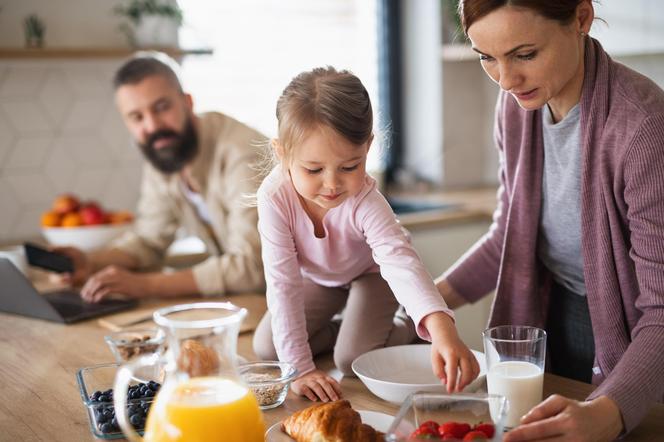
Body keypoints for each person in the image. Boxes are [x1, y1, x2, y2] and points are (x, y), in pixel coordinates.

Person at [434, 1, 664, 441]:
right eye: (487, 57)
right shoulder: (517, 108)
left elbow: (662, 309)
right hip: (551, 318)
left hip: (640, 347)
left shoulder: (643, 128)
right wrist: (423, 308)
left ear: (580, 18)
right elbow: (510, 236)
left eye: (524, 55)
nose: (505, 79)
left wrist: (608, 412)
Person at [252, 67, 480, 402]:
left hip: (373, 276)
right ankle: (343, 329)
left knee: (351, 359)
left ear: (368, 148)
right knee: (268, 347)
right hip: (319, 278)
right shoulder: (274, 196)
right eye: (313, 170)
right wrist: (300, 369)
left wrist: (441, 329)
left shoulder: (366, 201)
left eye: (349, 167)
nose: (332, 184)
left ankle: (404, 325)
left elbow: (399, 263)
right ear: (282, 154)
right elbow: (283, 283)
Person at [56, 52, 266, 302]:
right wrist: (89, 262)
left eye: (162, 107)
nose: (153, 126)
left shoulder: (243, 154)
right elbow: (148, 240)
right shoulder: (166, 154)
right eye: (137, 117)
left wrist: (146, 286)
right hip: (245, 301)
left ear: (188, 102)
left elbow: (252, 267)